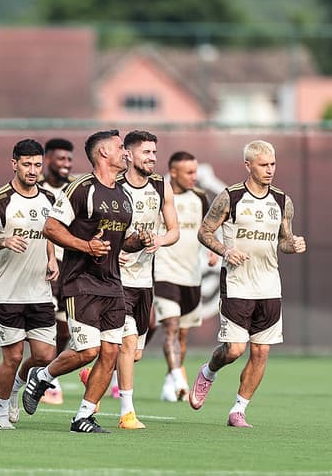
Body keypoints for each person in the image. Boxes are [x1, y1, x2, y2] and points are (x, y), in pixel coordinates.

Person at [22, 129, 148, 433]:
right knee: (88, 351)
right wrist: (86, 246)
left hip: (113, 284)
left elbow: (121, 242)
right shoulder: (81, 188)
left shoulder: (124, 196)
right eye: (120, 147)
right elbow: (51, 228)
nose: (126, 152)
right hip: (81, 282)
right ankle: (42, 376)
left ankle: (83, 416)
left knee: (111, 352)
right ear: (103, 152)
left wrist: (138, 241)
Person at [189, 140, 305, 427]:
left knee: (261, 351)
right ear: (248, 165)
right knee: (234, 350)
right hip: (237, 283)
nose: (270, 170)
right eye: (264, 165)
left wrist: (293, 244)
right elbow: (205, 232)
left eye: (273, 164)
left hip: (269, 285)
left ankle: (238, 410)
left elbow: (284, 241)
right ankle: (208, 371)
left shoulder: (282, 201)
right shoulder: (231, 197)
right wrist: (225, 251)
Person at [0, 139, 58, 430]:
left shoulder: (49, 200)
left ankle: (16, 388)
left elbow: (50, 234)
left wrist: (52, 258)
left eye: (37, 165)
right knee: (13, 357)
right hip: (6, 291)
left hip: (39, 290)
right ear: (14, 164)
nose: (32, 170)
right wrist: (4, 241)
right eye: (27, 164)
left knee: (45, 355)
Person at [112, 131, 179, 428]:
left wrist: (160, 240)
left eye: (154, 152)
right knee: (127, 344)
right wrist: (113, 251)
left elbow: (174, 230)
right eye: (146, 152)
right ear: (128, 154)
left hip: (144, 280)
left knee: (134, 353)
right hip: (115, 280)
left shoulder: (161, 186)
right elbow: (95, 228)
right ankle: (127, 412)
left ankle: (96, 373)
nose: (152, 157)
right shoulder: (113, 186)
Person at [153, 151, 218, 402]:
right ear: (173, 172)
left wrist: (212, 251)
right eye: (189, 172)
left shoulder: (199, 197)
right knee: (170, 327)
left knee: (181, 334)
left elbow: (209, 230)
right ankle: (180, 379)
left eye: (195, 171)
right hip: (163, 273)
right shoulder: (158, 196)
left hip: (191, 276)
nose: (194, 176)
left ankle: (169, 381)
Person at [38, 138, 76, 405]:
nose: (66, 164)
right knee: (46, 321)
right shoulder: (35, 186)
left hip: (71, 264)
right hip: (44, 263)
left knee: (64, 329)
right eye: (60, 158)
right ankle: (46, 375)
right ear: (48, 159)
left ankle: (49, 370)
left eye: (69, 159)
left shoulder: (75, 187)